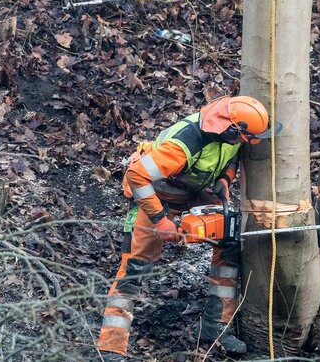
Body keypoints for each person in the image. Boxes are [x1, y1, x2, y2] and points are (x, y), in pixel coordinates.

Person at [95, 96, 281, 361]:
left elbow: (231, 159)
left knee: (229, 241)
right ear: (232, 129)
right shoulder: (184, 144)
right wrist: (160, 220)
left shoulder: (232, 138)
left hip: (191, 191)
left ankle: (216, 326)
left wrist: (224, 181)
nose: (245, 143)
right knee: (135, 267)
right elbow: (136, 175)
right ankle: (110, 347)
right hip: (154, 195)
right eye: (245, 138)